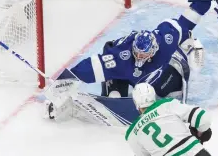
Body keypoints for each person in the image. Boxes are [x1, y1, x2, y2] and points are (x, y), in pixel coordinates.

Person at [69, 18, 204, 102]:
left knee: (166, 94)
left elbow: (176, 27)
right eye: (137, 53)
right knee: (114, 98)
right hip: (120, 68)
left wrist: (188, 38)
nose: (139, 57)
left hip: (147, 73)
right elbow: (92, 67)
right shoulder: (121, 57)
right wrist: (66, 82)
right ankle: (114, 84)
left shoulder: (165, 41)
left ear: (153, 50)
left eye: (143, 54)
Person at [125, 82, 218, 156]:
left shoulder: (131, 133)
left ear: (136, 103)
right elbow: (203, 118)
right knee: (206, 132)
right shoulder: (167, 105)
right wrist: (199, 134)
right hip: (197, 155)